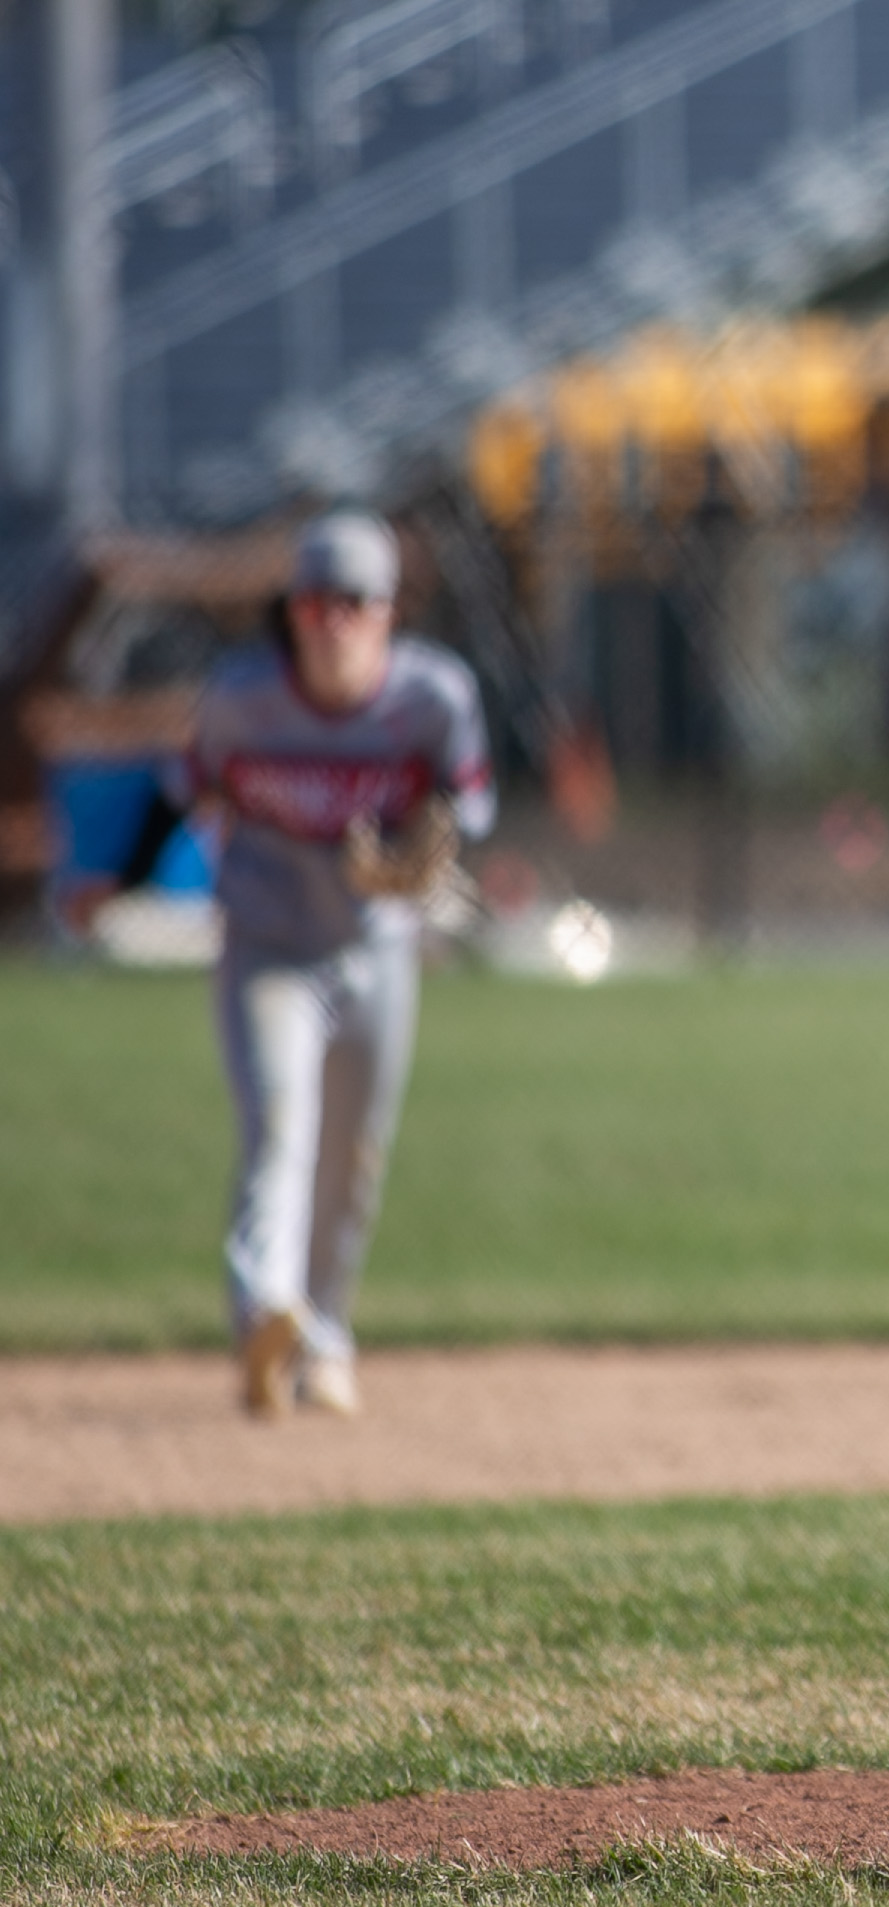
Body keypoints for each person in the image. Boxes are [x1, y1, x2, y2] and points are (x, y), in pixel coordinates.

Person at [87, 510, 496, 1419]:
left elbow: (470, 803)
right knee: (279, 1125)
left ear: (389, 611)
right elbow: (176, 793)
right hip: (266, 947)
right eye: (316, 602)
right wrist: (112, 883)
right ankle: (263, 1314)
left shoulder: (432, 697)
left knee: (354, 1159)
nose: (333, 621)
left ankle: (329, 1338)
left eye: (354, 602)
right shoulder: (243, 698)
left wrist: (428, 844)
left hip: (376, 951)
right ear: (293, 611)